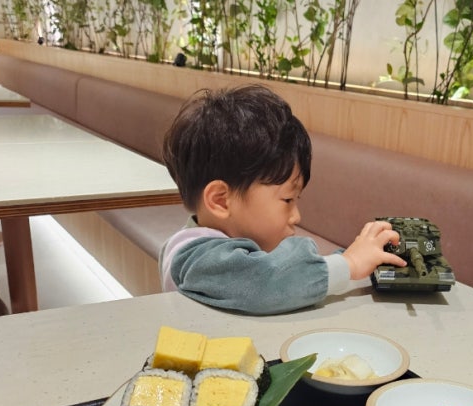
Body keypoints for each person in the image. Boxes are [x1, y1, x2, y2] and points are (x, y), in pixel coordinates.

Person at [159, 84, 405, 315]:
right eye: (287, 200)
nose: (296, 216)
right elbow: (267, 281)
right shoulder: (194, 257)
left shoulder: (222, 247)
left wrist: (358, 259)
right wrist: (349, 263)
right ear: (221, 200)